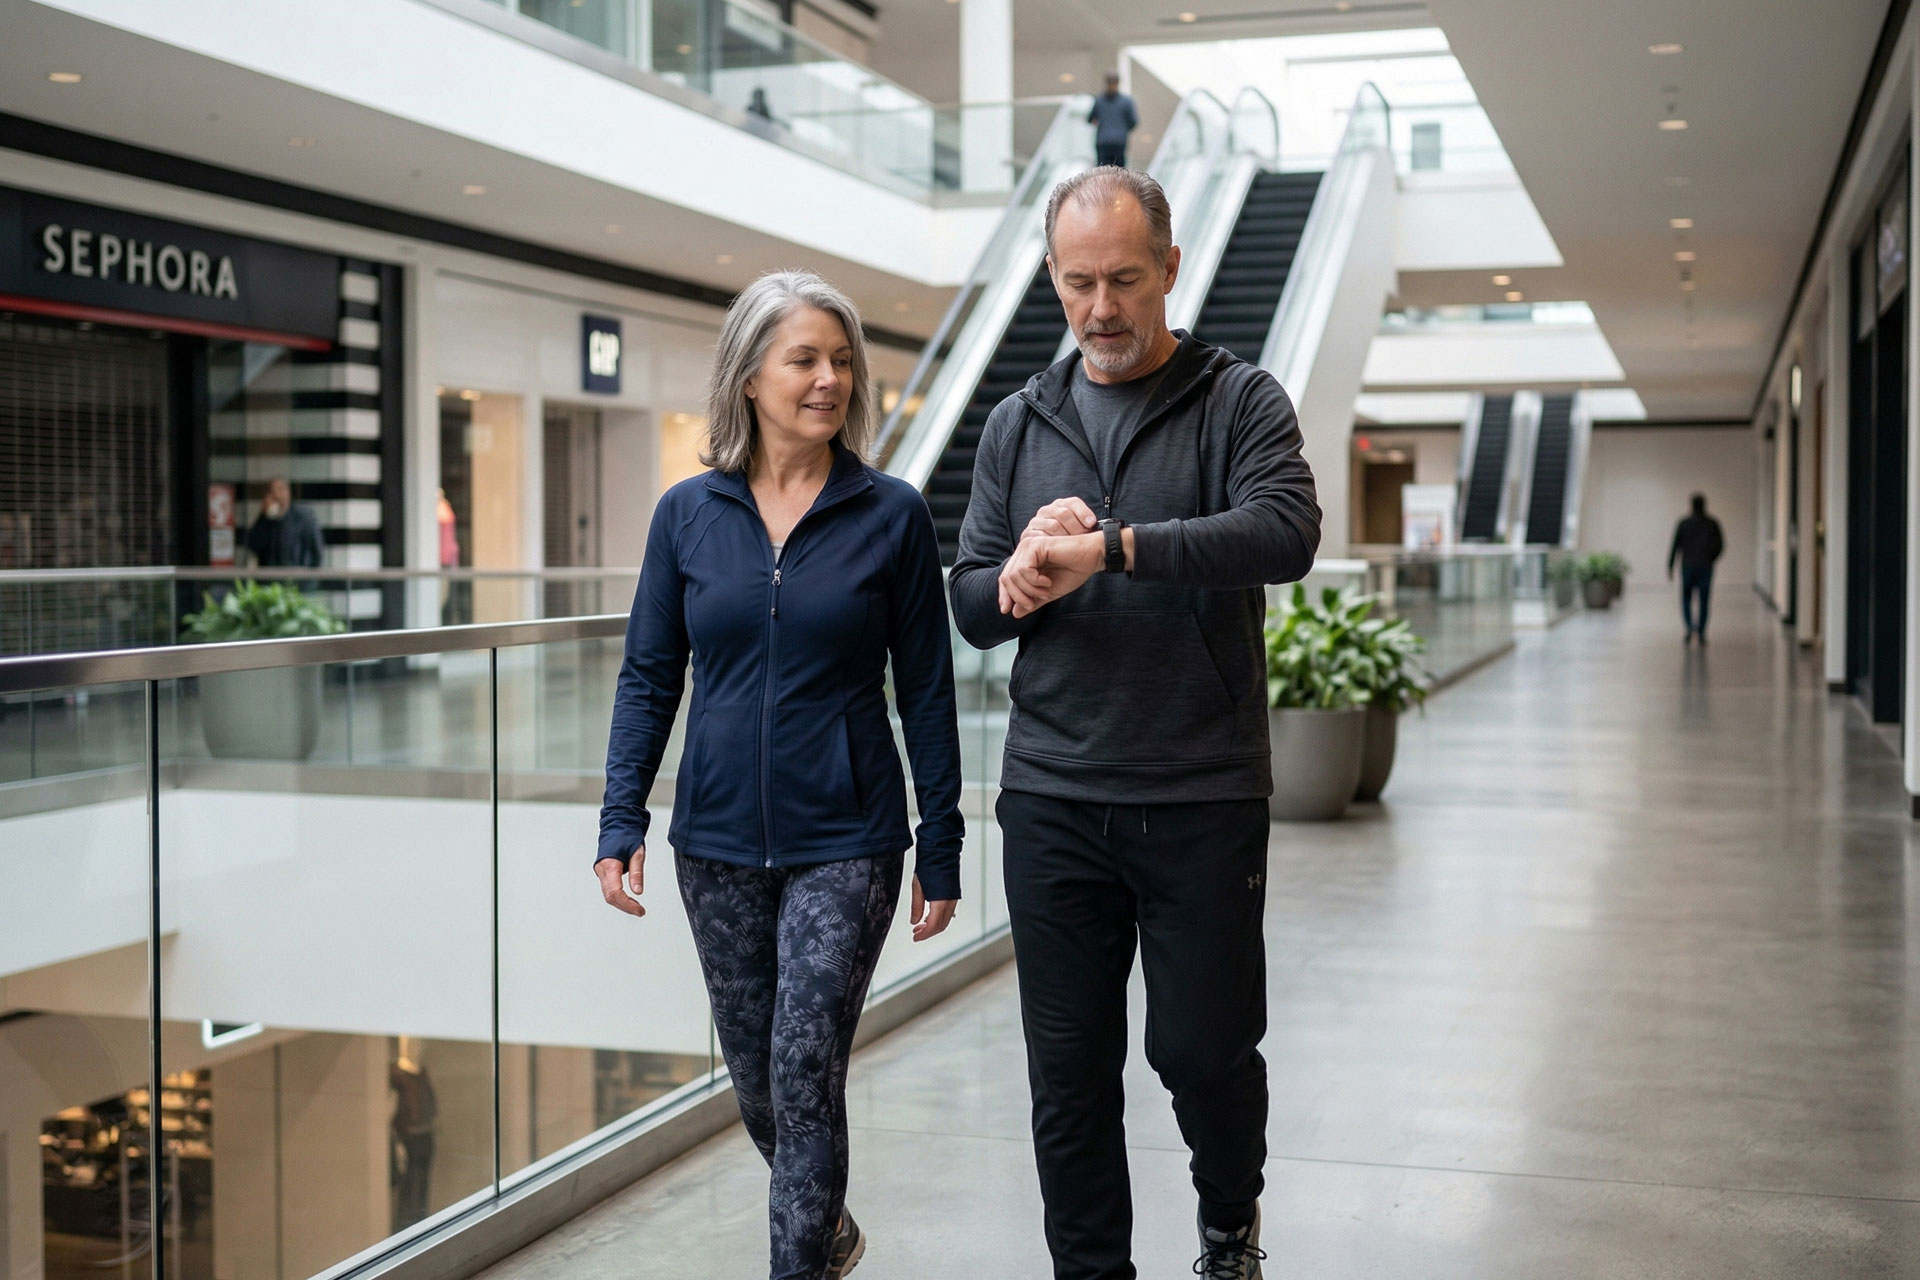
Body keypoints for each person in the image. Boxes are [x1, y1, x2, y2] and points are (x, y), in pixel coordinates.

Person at [950, 168, 1320, 1280]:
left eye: (1121, 279)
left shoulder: (1239, 398)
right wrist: (1019, 575)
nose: (1100, 308)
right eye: (1076, 284)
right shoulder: (1020, 422)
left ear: (1169, 266)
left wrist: (1113, 547)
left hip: (1200, 790)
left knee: (1201, 1050)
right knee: (1066, 1074)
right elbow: (968, 602)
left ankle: (1227, 1221)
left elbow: (1283, 532)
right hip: (1056, 793)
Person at [596, 269, 963, 1280]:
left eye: (842, 360)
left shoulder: (891, 515)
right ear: (750, 374)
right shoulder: (686, 514)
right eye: (805, 357)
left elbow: (927, 690)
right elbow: (648, 672)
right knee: (759, 1080)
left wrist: (944, 840)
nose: (829, 378)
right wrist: (619, 813)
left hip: (847, 838)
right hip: (713, 843)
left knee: (806, 1065)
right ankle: (827, 1227)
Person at [1669, 492, 1725, 644]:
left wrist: (1671, 565)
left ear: (1691, 505)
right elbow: (1720, 545)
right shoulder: (1712, 523)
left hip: (1688, 566)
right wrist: (1711, 558)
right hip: (1705, 566)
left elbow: (1675, 546)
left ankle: (1689, 627)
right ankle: (1701, 631)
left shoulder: (1684, 523)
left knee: (1686, 598)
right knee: (1704, 600)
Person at [244, 477, 325, 568]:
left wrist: (308, 579)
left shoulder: (303, 517)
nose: (276, 495)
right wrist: (264, 517)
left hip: (296, 577)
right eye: (271, 492)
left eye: (279, 490)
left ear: (287, 492)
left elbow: (316, 553)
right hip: (269, 578)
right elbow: (252, 546)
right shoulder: (265, 519)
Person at [1088, 73, 1138, 169]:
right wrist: (1122, 130)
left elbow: (1090, 119)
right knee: (1119, 173)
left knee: (1102, 172)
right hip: (1117, 141)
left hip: (1104, 142)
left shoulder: (1099, 100)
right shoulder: (1127, 101)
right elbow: (1133, 122)